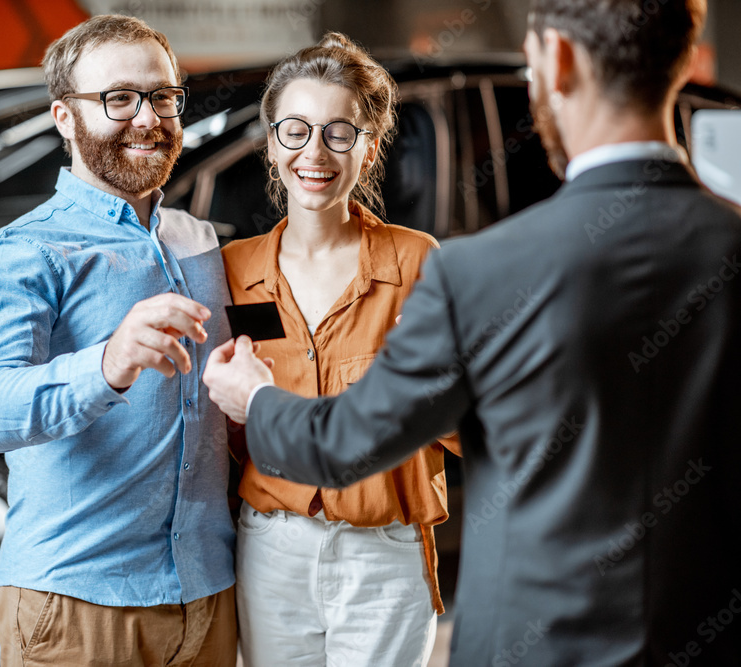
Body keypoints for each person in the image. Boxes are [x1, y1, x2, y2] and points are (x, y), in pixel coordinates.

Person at [203, 0, 741, 664]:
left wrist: (255, 398)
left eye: (337, 132)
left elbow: (346, 441)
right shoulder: (233, 269)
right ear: (688, 59)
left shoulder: (469, 269)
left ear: (558, 59)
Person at [0, 15, 236, 667]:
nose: (147, 117)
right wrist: (107, 364)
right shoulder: (27, 250)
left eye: (163, 96)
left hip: (208, 594)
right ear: (63, 116)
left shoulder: (198, 242)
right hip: (78, 604)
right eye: (118, 98)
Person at [221, 32, 460, 667]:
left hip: (383, 552)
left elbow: (466, 427)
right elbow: (221, 429)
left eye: (339, 132)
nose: (315, 152)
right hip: (270, 549)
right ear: (272, 144)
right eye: (295, 130)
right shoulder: (232, 271)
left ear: (370, 147)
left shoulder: (416, 262)